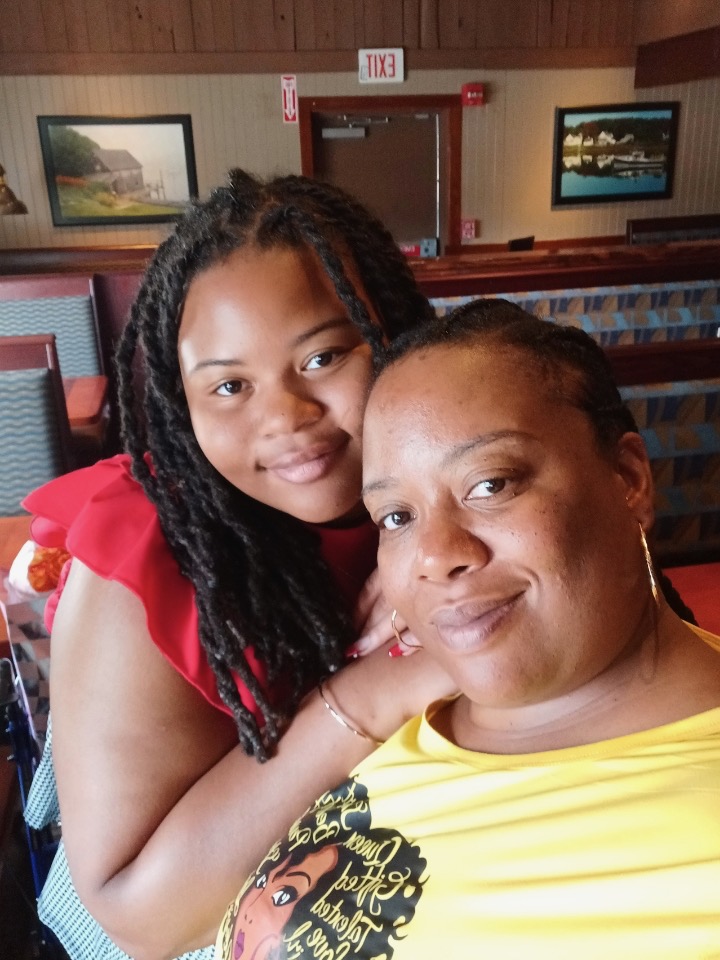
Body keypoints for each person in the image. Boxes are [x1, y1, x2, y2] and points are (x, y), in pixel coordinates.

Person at [22, 169, 451, 960]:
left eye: (323, 357)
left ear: (394, 334)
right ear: (181, 402)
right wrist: (385, 681)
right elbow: (133, 915)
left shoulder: (448, 476)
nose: (285, 417)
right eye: (228, 385)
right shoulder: (149, 551)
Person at [216, 299, 720, 960]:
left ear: (629, 479)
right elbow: (146, 911)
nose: (434, 555)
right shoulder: (402, 714)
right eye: (396, 517)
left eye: (490, 484)